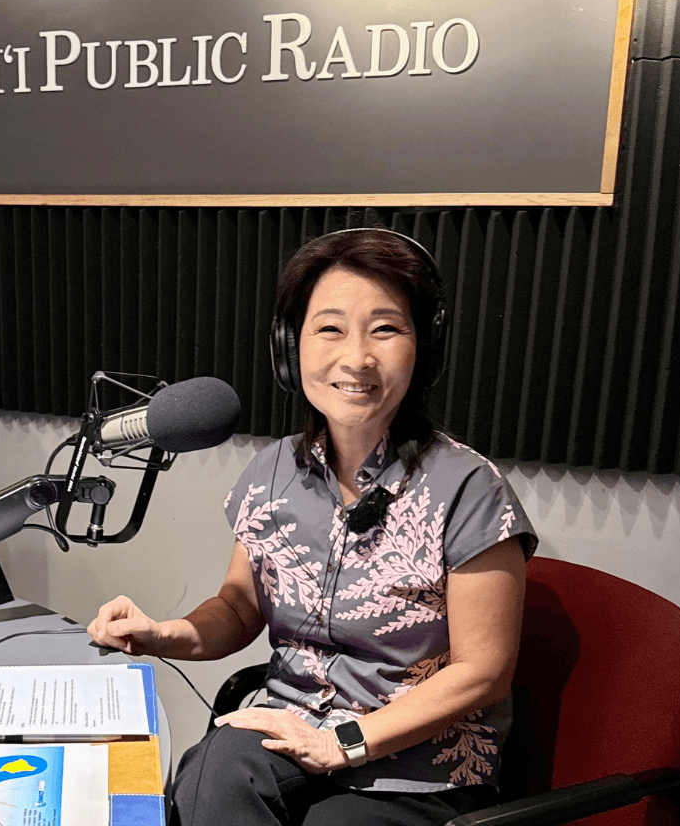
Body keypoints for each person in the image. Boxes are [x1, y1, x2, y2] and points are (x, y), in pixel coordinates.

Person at [88, 228, 537, 825]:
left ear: (423, 349)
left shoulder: (469, 488)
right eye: (330, 328)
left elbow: (484, 671)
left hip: (419, 763)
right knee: (212, 776)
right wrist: (166, 635)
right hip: (293, 729)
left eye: (386, 329)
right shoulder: (271, 472)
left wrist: (344, 742)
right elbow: (240, 606)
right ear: (289, 348)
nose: (356, 358)